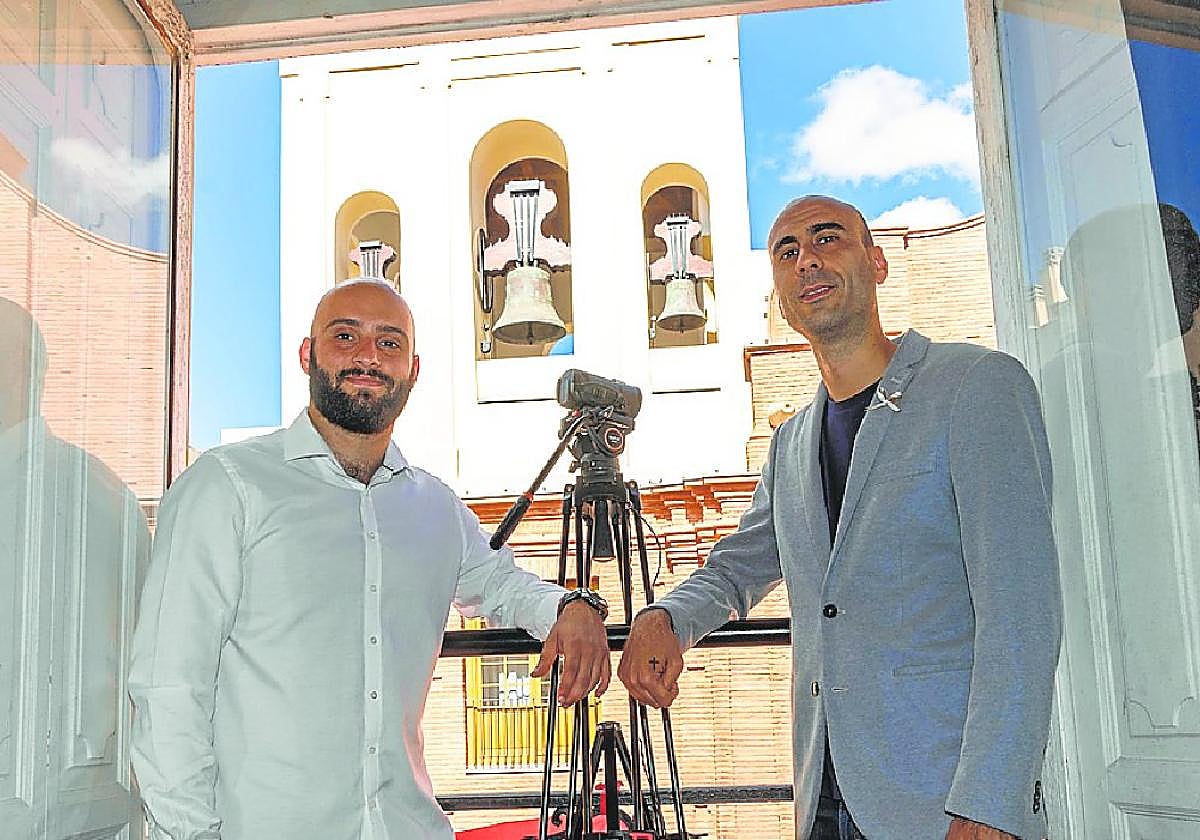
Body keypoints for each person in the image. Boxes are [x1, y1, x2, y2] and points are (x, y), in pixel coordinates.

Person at [619, 196, 1062, 840]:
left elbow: (1022, 611)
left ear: (877, 262)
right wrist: (666, 618)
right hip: (822, 799)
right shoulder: (792, 441)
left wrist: (991, 803)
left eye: (828, 239)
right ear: (779, 295)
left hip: (944, 805)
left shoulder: (976, 386)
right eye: (788, 252)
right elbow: (738, 566)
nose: (808, 261)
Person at [129, 280, 611, 840]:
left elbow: (503, 584)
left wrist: (572, 608)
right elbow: (169, 690)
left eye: (389, 343)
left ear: (413, 368)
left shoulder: (433, 507)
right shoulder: (226, 487)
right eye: (345, 336)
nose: (367, 357)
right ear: (307, 354)